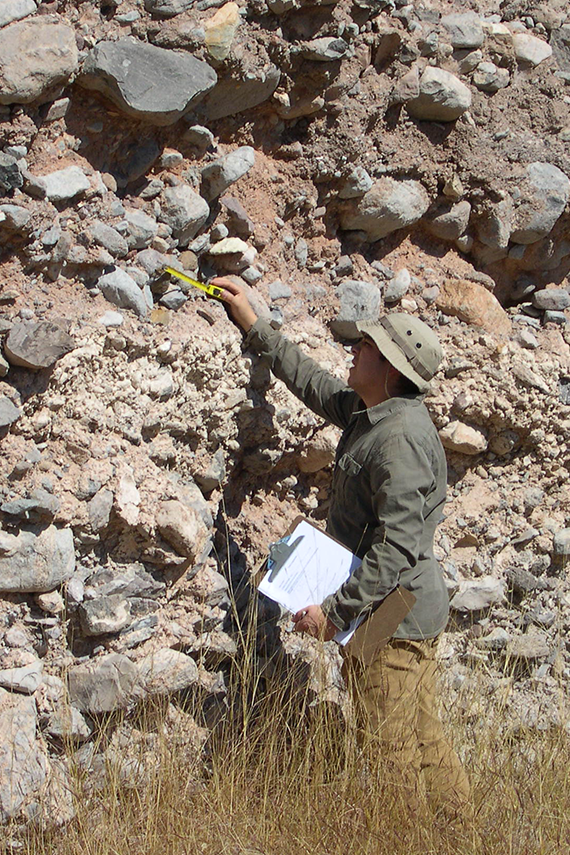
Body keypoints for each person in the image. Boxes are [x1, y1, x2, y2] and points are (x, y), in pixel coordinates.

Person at [214, 276, 470, 815]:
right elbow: (315, 384)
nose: (355, 349)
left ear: (392, 369)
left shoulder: (399, 440)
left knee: (391, 751)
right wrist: (257, 327)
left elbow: (396, 548)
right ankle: (460, 831)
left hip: (394, 619)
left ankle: (407, 839)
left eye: (367, 345)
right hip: (400, 608)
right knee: (424, 739)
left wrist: (334, 613)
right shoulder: (373, 410)